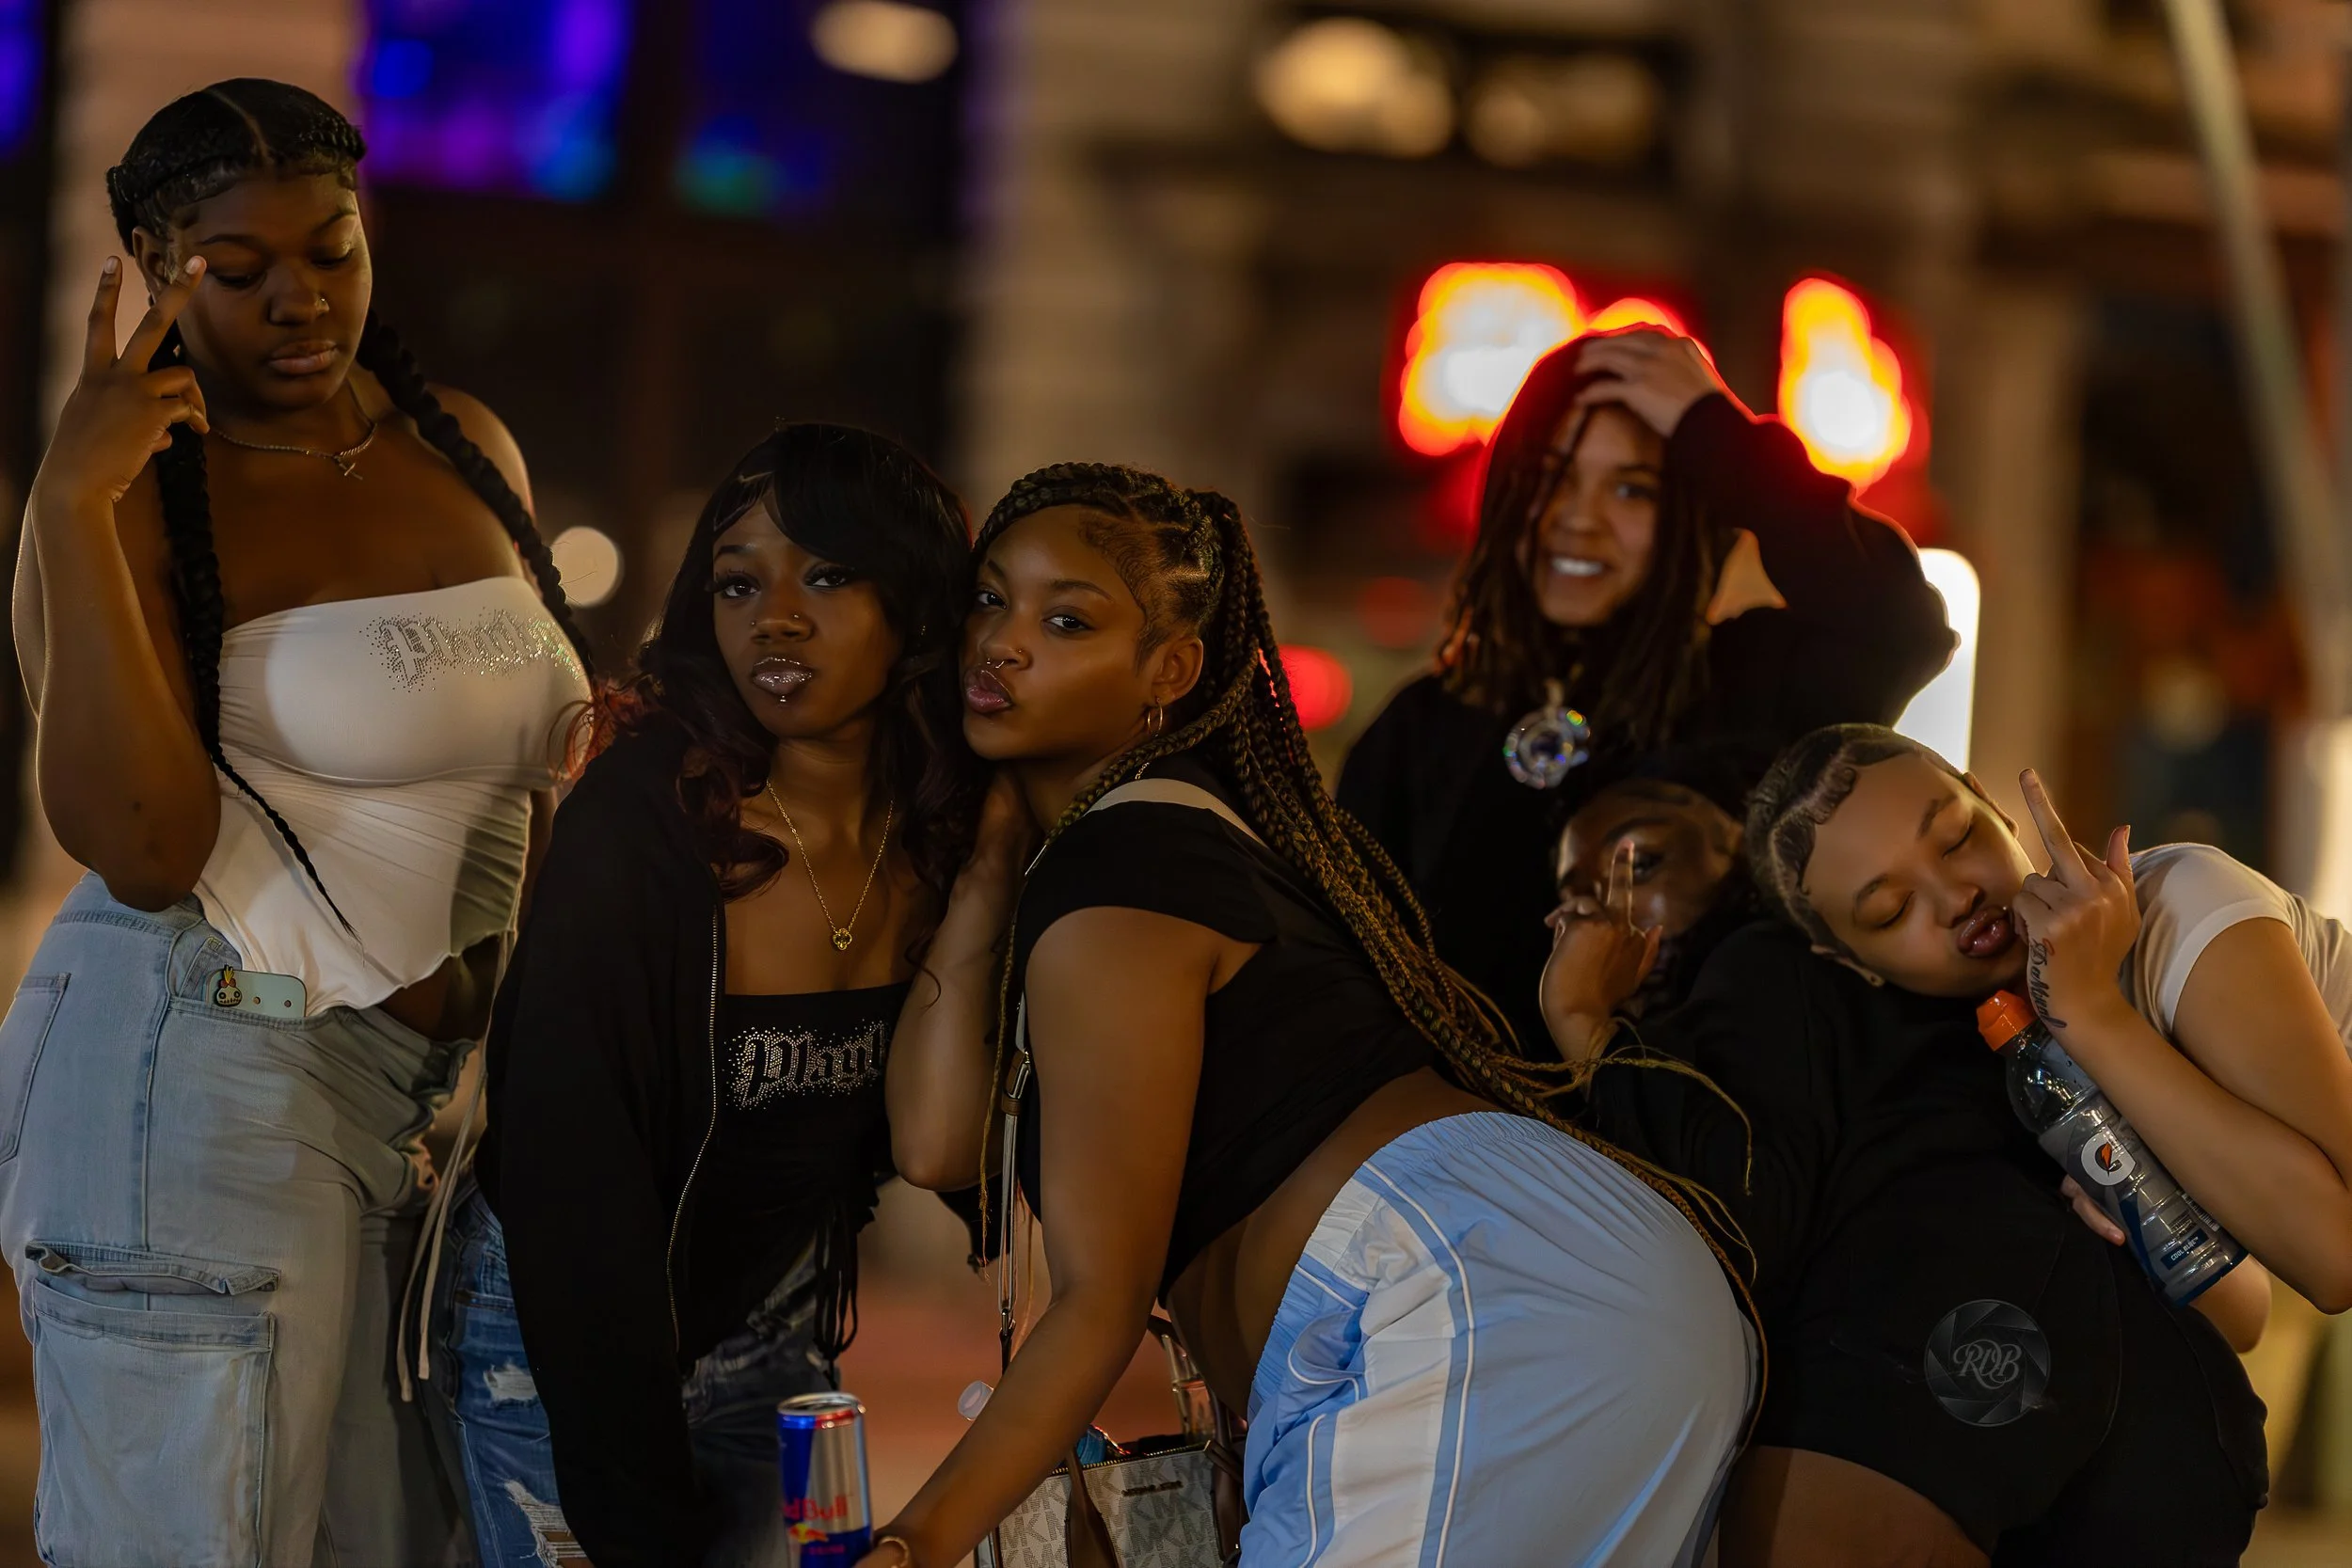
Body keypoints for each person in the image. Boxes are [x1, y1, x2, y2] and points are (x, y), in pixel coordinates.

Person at [873, 464, 1755, 1568]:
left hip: (1471, 1304)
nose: (1000, 642)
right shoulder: (1147, 850)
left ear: (1170, 669)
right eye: (990, 600)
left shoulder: (1125, 870)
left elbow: (1100, 1299)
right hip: (1553, 1293)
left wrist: (915, 1540)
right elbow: (936, 1140)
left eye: (1066, 618)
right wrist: (989, 869)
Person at [0, 81, 593, 1563]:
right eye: (237, 269)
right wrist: (75, 499)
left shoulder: (464, 446)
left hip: (414, 1113)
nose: (298, 301)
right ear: (148, 256)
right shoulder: (130, 494)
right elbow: (139, 848)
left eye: (330, 250)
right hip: (196, 1075)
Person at [438, 424, 980, 1566]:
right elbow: (569, 1170)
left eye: (827, 574)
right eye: (739, 582)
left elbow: (942, 1145)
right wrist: (634, 1508)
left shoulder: (944, 840)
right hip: (553, 1339)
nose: (775, 616)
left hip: (768, 1332)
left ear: (919, 604)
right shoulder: (644, 822)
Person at [1547, 774, 2268, 1566]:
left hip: (1978, 1356)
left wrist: (1583, 1022)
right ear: (1845, 941)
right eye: (1572, 895)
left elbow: (1738, 1216)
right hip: (2146, 1424)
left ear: (1736, 864)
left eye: (1637, 863)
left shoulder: (1761, 965)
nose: (1601, 911)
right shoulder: (1955, 1016)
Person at [1339, 329, 1955, 1048]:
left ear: (1693, 512)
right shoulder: (1421, 728)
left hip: (1697, 1145)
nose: (1578, 516)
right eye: (1549, 475)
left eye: (1632, 488)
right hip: (1455, 1148)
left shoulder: (1755, 684)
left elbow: (1900, 624)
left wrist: (1717, 435)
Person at [1748, 722, 2352, 1321]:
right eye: (1892, 909)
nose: (1956, 895)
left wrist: (2092, 1015)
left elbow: (2337, 1261)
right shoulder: (2027, 1077)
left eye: (1957, 838)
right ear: (1855, 964)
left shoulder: (2182, 904)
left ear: (1993, 806)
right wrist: (2137, 1205)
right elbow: (2248, 1316)